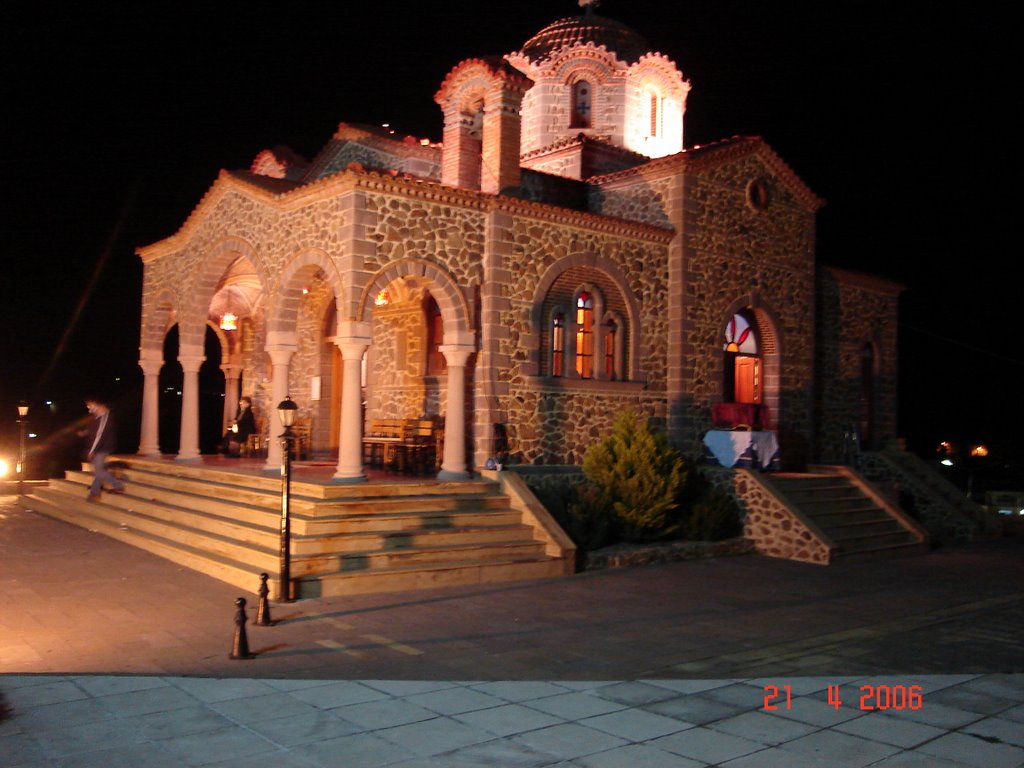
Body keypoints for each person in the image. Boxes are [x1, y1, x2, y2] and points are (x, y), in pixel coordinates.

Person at [82, 398, 126, 501]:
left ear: (98, 405)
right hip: (99, 448)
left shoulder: (104, 418)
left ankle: (118, 485)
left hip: (102, 449)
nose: (89, 408)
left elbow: (99, 436)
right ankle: (95, 492)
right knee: (98, 470)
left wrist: (92, 450)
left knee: (99, 471)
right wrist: (86, 432)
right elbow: (94, 431)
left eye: (90, 406)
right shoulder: (97, 417)